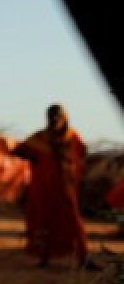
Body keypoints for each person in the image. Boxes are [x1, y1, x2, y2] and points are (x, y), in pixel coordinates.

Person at [11, 104, 98, 269]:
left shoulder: (72, 137)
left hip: (67, 188)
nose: (55, 121)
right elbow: (18, 150)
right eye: (51, 117)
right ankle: (44, 259)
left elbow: (82, 154)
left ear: (64, 117)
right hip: (43, 187)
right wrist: (36, 160)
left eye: (58, 117)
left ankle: (84, 258)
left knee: (73, 221)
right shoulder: (40, 138)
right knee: (44, 221)